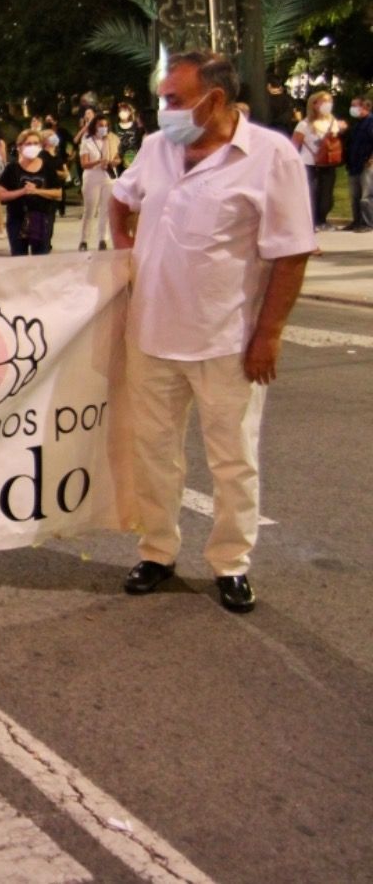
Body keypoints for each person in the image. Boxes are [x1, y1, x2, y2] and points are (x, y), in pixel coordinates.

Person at [109, 52, 316, 614]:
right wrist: (125, 256)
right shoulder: (155, 148)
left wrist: (268, 335)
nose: (164, 111)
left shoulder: (271, 156)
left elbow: (292, 253)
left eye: (174, 100)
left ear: (215, 100)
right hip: (150, 335)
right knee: (153, 453)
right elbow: (119, 199)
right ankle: (157, 552)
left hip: (227, 341)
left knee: (233, 460)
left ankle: (230, 563)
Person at [0, 130, 64, 255]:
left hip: (41, 218)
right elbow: (1, 195)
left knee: (40, 258)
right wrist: (22, 191)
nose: (32, 146)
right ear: (19, 147)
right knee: (19, 257)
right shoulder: (12, 169)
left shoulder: (47, 167)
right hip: (17, 219)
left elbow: (58, 193)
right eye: (28, 144)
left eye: (36, 143)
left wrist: (37, 191)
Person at [292, 91, 342, 231]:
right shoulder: (304, 124)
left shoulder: (332, 122)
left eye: (329, 101)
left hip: (328, 162)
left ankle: (322, 220)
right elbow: (294, 145)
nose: (328, 105)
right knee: (311, 193)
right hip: (309, 163)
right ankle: (311, 221)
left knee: (326, 194)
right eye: (324, 101)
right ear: (314, 104)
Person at [77, 113, 119, 251]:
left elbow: (118, 158)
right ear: (94, 126)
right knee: (90, 209)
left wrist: (114, 162)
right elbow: (84, 164)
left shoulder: (112, 140)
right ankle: (84, 239)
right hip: (92, 177)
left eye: (106, 125)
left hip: (108, 176)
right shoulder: (87, 142)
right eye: (101, 125)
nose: (103, 128)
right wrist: (98, 162)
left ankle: (103, 239)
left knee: (106, 209)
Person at [348, 95, 373, 232]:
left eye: (355, 106)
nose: (352, 109)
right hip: (354, 164)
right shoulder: (357, 124)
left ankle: (368, 223)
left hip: (367, 164)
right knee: (355, 195)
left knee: (366, 196)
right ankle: (356, 221)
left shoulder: (371, 122)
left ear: (365, 107)